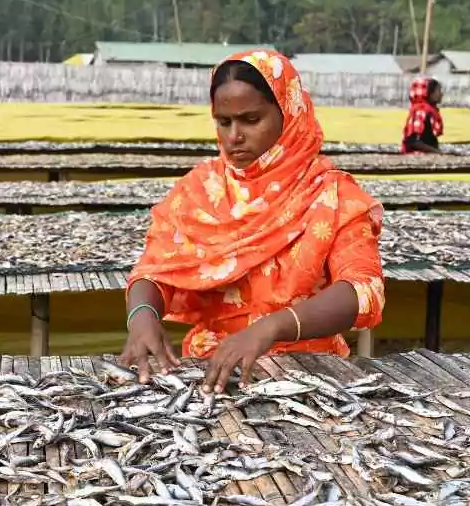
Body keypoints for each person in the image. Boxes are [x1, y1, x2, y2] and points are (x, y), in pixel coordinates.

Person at [120, 49, 385, 393]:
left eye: (251, 119)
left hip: (311, 376)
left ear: (288, 113)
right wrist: (142, 317)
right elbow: (153, 272)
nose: (234, 136)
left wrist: (271, 328)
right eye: (224, 121)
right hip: (211, 374)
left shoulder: (332, 194)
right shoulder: (200, 190)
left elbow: (364, 291)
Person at [401, 77, 443, 154]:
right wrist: (437, 152)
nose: (441, 94)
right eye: (438, 90)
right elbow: (413, 141)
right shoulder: (421, 111)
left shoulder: (429, 111)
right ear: (429, 93)